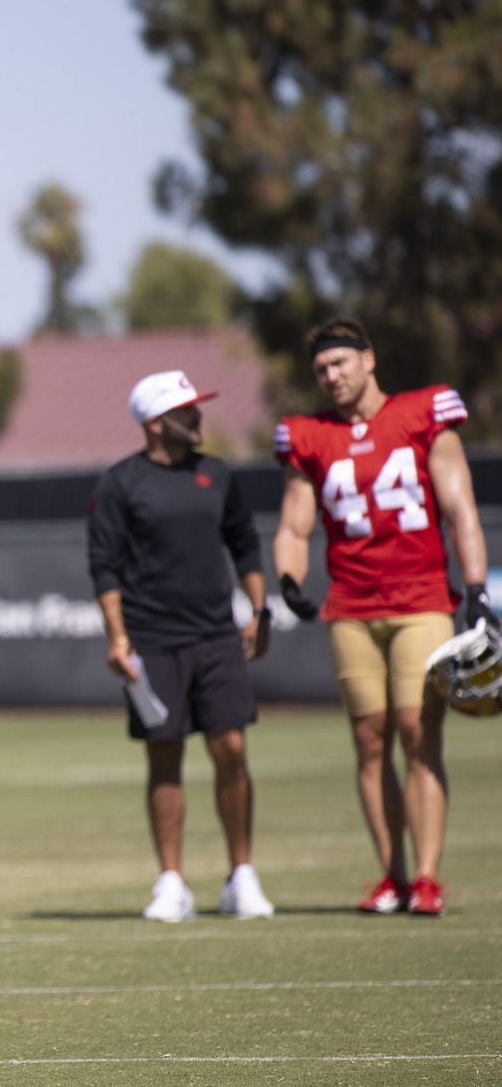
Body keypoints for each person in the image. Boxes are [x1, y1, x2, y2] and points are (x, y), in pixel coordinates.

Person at [273, 318, 487, 916]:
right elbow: (295, 522)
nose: (330, 376)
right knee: (370, 743)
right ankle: (390, 875)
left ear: (368, 360)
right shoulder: (307, 436)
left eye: (339, 363)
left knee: (420, 734)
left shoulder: (424, 412)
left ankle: (426, 875)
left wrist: (475, 587)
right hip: (352, 607)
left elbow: (459, 506)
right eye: (320, 370)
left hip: (421, 600)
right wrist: (289, 577)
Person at [88, 370, 275, 923]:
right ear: (154, 422)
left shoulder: (216, 474)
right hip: (152, 642)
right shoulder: (120, 483)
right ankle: (172, 882)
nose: (197, 418)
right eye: (185, 410)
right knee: (164, 755)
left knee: (232, 752)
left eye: (197, 408)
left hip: (217, 637)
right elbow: (104, 565)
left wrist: (259, 611)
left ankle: (241, 876)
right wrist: (118, 638)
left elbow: (244, 544)